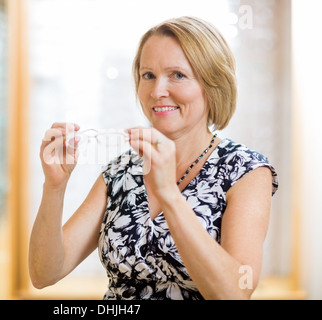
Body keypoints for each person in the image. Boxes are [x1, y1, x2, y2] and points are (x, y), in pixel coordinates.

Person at [29, 16, 278, 300]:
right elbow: (43, 274)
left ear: (213, 84)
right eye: (148, 75)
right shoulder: (120, 171)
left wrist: (169, 195)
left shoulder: (246, 171)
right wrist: (54, 187)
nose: (157, 91)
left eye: (178, 75)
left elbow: (235, 293)